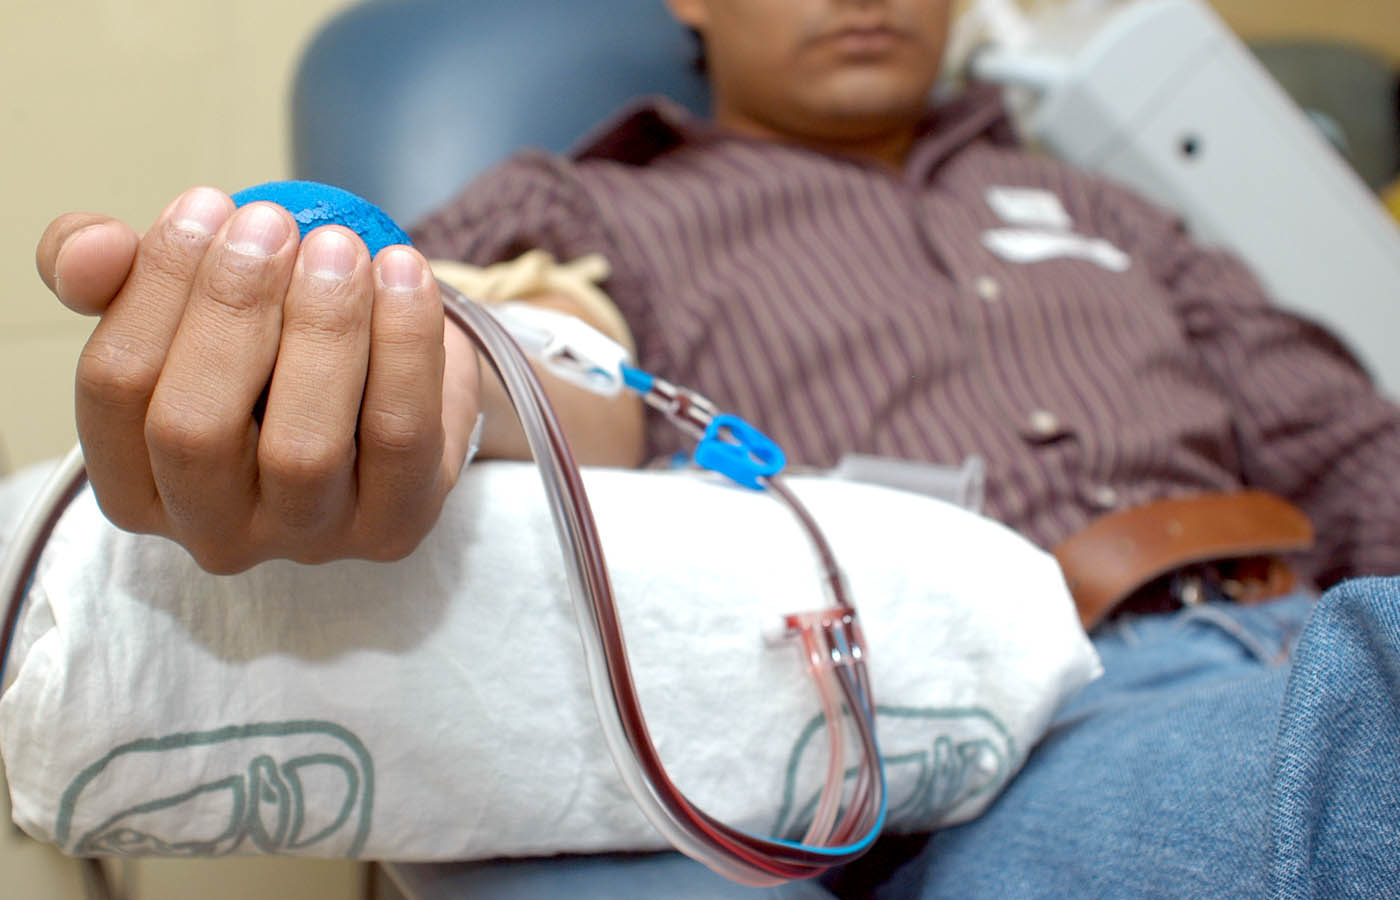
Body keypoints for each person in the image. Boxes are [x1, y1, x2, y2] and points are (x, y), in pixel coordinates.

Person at [32, 0, 1400, 895]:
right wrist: (392, 380)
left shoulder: (1109, 206)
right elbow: (542, 352)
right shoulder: (598, 202)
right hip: (1023, 739)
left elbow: (1347, 443)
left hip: (1321, 625)